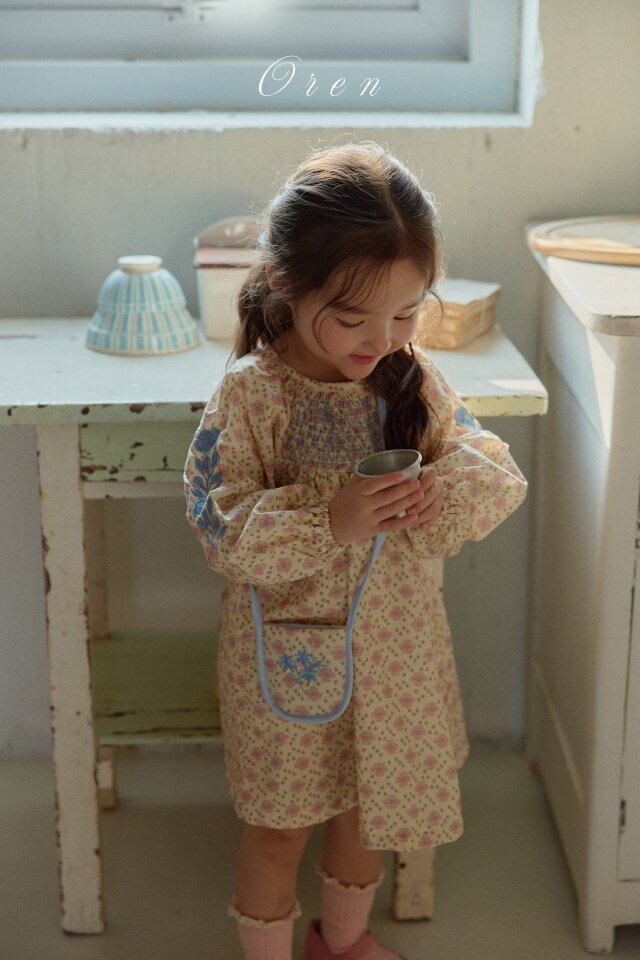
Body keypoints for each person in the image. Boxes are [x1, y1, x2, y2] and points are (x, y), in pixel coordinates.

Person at [183, 140, 528, 960]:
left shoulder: (410, 378)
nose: (382, 338)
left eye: (407, 313)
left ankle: (340, 944)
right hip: (286, 661)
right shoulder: (254, 394)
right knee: (278, 829)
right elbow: (218, 525)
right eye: (352, 318)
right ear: (288, 284)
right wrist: (327, 520)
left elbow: (490, 467)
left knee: (368, 812)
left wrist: (439, 490)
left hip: (395, 655)